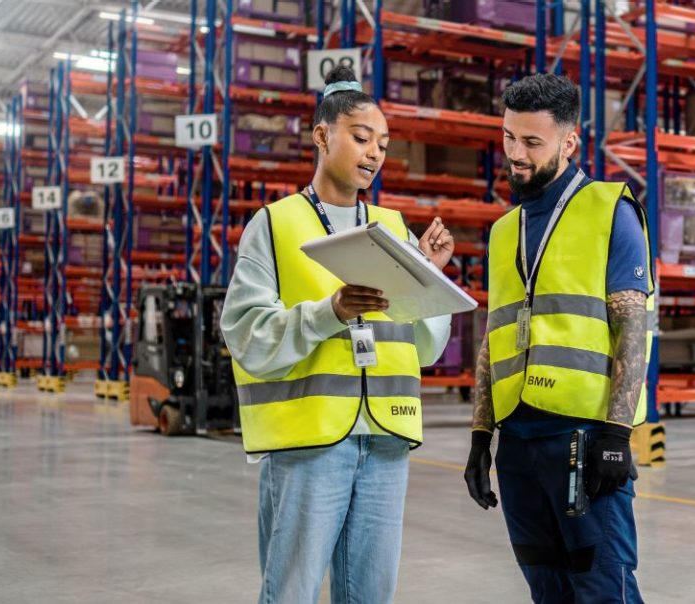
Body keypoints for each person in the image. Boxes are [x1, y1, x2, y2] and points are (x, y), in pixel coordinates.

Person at [220, 65, 458, 604]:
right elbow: (246, 334)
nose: (374, 153)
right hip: (310, 443)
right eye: (361, 137)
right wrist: (329, 312)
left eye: (383, 143)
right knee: (292, 590)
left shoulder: (395, 230)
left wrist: (431, 274)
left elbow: (424, 346)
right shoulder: (276, 225)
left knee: (371, 592)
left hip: (386, 440)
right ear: (322, 135)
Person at [463, 73, 655, 603]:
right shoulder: (505, 230)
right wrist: (481, 437)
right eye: (508, 137)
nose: (515, 154)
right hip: (519, 443)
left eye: (531, 142)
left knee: (602, 587)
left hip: (584, 439)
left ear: (569, 143)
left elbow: (633, 326)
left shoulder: (609, 211)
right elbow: (492, 338)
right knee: (545, 587)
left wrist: (618, 436)